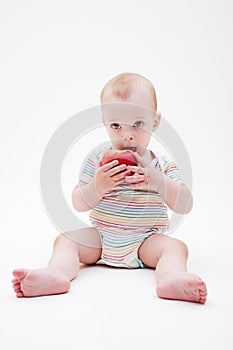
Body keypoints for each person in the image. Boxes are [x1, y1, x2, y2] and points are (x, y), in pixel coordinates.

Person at [12, 72, 207, 303]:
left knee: (175, 248)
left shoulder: (162, 165)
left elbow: (185, 204)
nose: (127, 136)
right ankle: (56, 273)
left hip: (145, 242)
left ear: (155, 122)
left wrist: (157, 181)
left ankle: (172, 280)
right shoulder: (97, 161)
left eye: (138, 124)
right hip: (101, 240)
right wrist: (97, 186)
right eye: (116, 125)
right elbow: (78, 202)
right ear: (105, 122)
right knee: (66, 239)